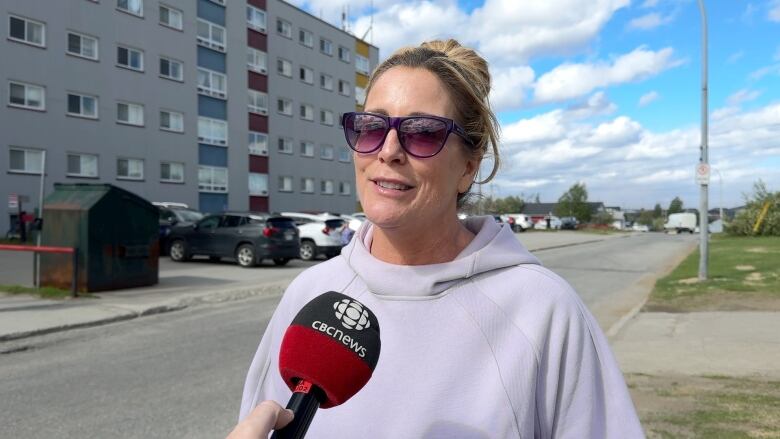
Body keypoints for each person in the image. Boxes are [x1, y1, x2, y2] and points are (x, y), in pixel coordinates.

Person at [233, 39, 644, 438]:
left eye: (422, 133)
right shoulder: (310, 292)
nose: (388, 150)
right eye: (371, 126)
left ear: (468, 165)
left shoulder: (543, 311)